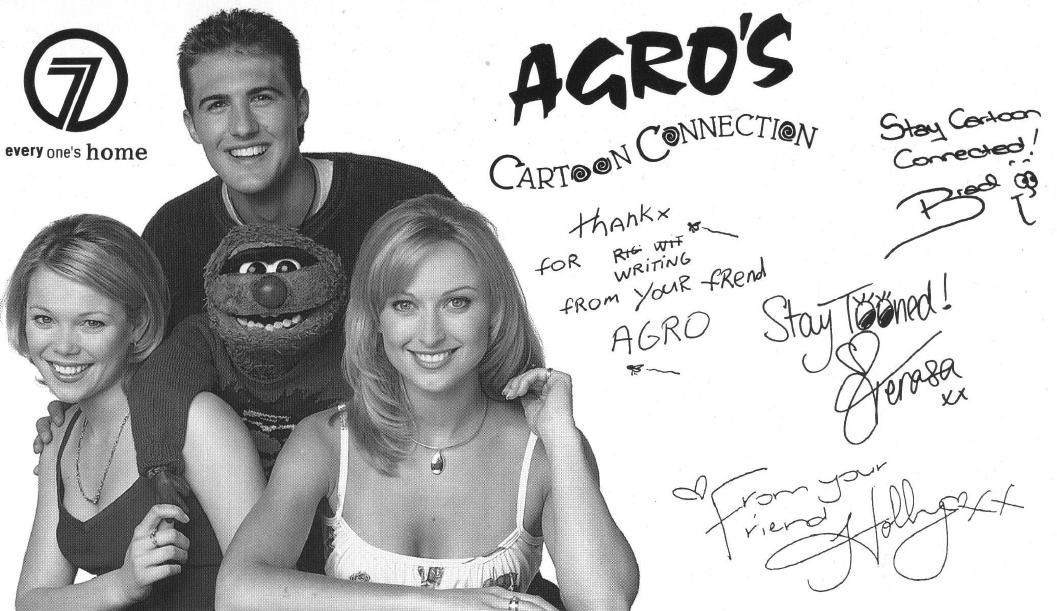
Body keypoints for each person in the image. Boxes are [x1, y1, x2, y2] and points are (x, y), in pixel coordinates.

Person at [216, 195, 639, 611]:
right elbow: (236, 593)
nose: (431, 334)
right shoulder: (325, 441)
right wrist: (439, 604)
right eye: (405, 305)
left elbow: (605, 603)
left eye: (457, 303)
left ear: (494, 314)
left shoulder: (547, 449)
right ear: (376, 319)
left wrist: (562, 439)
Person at [9, 215, 264, 610]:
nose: (63, 346)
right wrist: (122, 585)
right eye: (44, 319)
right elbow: (30, 602)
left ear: (138, 325)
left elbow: (266, 593)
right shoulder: (57, 437)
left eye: (91, 323)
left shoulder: (197, 422)